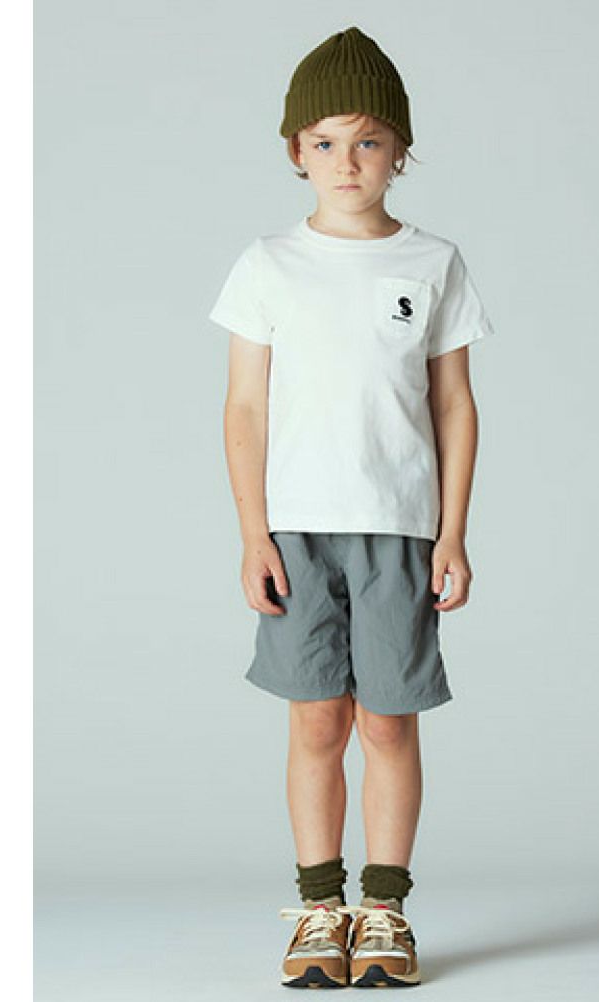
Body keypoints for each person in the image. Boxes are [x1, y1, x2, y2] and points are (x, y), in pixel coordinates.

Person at [208, 25, 495, 989]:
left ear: (399, 150)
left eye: (368, 141)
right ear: (296, 150)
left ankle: (385, 911)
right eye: (325, 141)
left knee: (388, 722)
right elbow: (245, 407)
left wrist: (453, 533)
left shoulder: (433, 262)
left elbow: (453, 405)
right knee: (316, 722)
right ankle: (319, 908)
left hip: (400, 528)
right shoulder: (267, 264)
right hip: (296, 527)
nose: (346, 161)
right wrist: (253, 532)